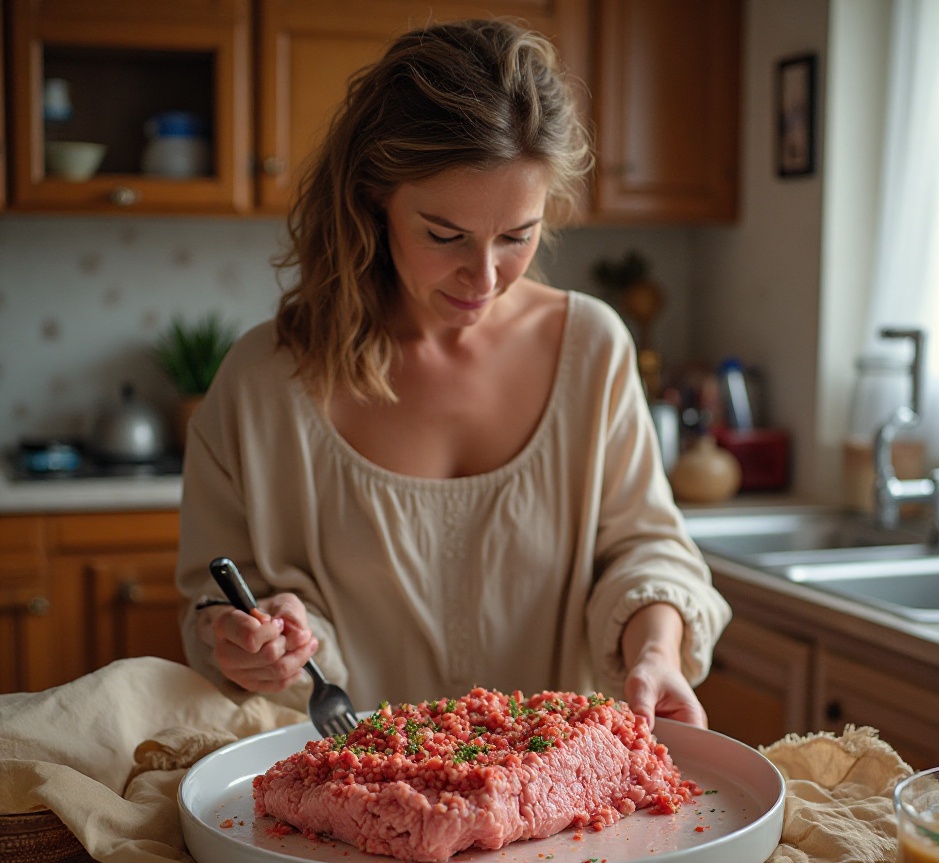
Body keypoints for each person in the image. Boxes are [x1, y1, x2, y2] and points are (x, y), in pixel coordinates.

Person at [176, 18, 731, 727]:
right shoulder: (263, 381)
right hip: (338, 812)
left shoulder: (591, 347)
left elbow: (645, 549)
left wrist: (655, 651)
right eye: (445, 236)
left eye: (516, 236)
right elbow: (215, 601)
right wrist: (249, 640)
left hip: (562, 817)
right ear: (374, 201)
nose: (484, 275)